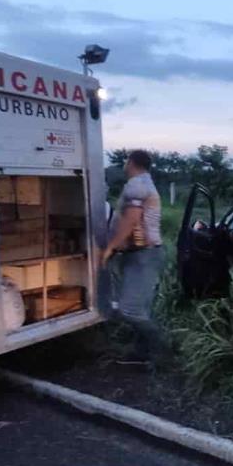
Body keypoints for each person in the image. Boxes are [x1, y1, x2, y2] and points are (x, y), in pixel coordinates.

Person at [100, 150, 165, 366]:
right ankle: (142, 354)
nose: (125, 166)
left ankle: (162, 351)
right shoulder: (145, 183)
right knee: (140, 307)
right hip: (143, 254)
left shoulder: (136, 185)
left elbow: (131, 220)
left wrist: (111, 247)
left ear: (131, 162)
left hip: (142, 254)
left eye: (126, 162)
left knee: (130, 308)